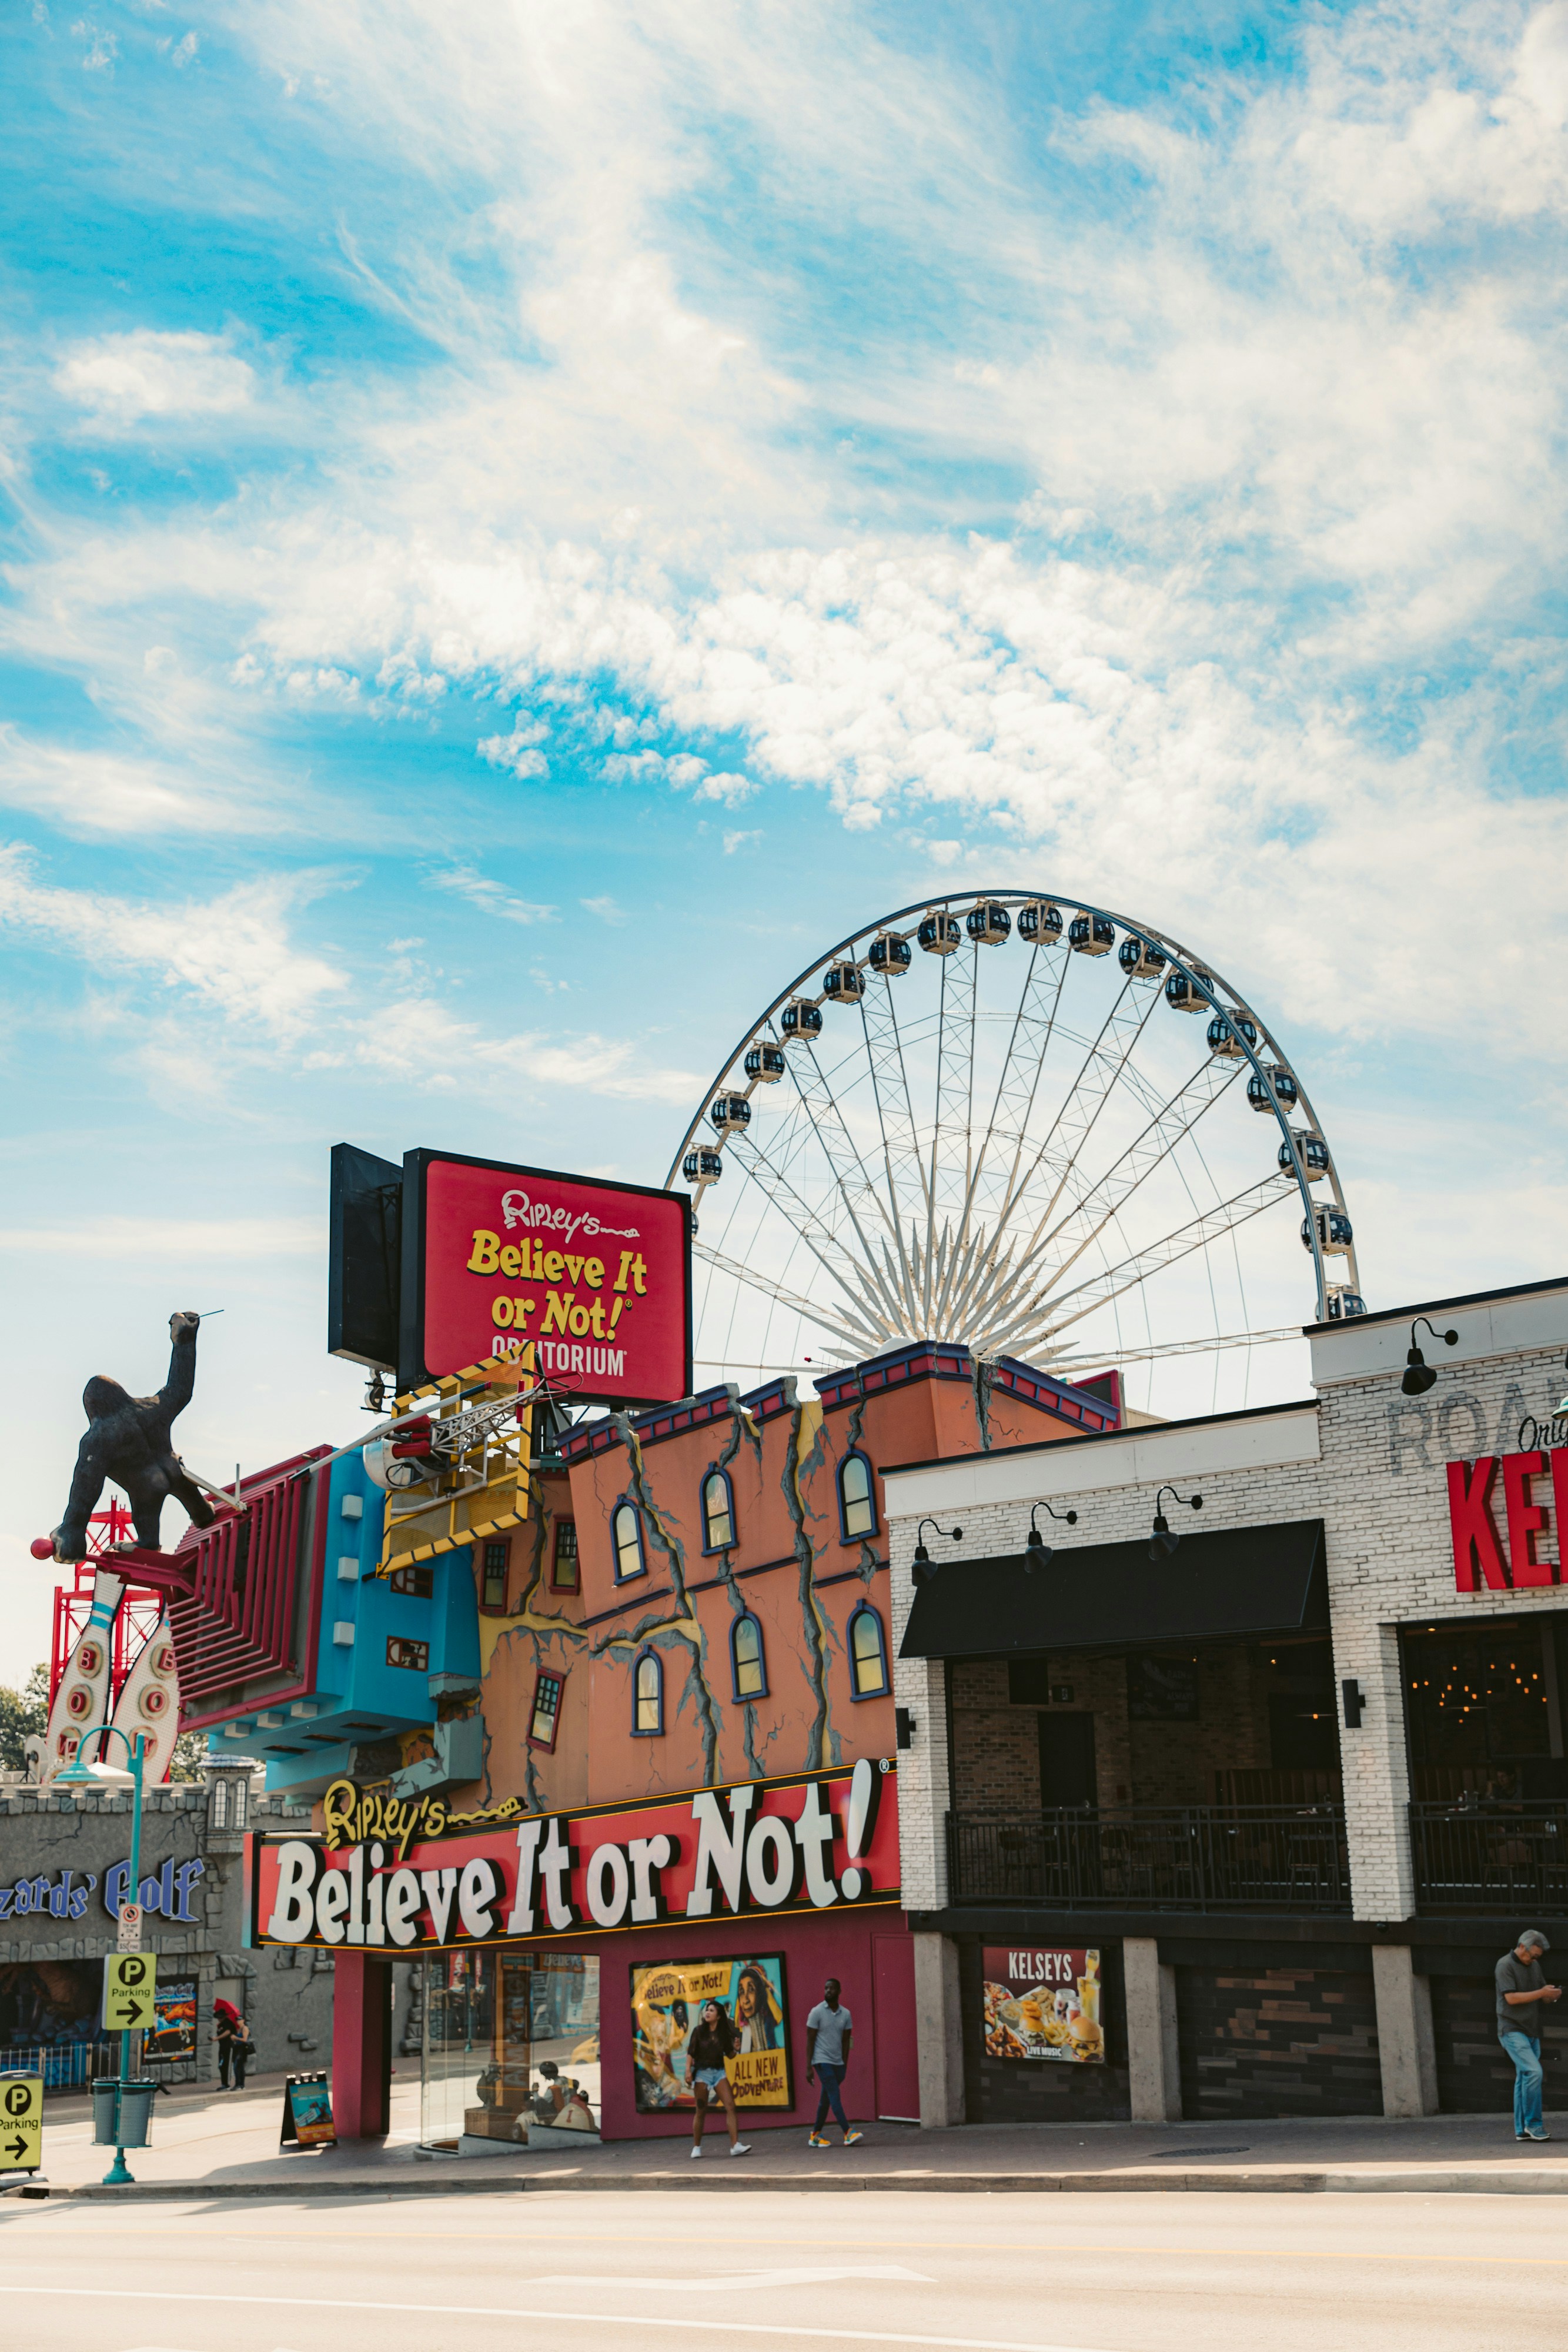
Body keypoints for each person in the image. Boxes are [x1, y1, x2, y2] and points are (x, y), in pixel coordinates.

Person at [1497, 1928, 1559, 2141]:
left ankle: (1521, 2130)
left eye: (1537, 1957)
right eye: (1532, 1955)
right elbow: (1511, 1999)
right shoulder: (1505, 1965)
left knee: (1524, 2077)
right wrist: (1542, 1993)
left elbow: (1542, 1995)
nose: (1533, 1960)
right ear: (1522, 1946)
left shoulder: (1534, 1965)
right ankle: (1534, 2125)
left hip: (1531, 2030)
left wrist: (1551, 1995)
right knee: (1534, 2073)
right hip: (1511, 2029)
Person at [684, 1997, 750, 2159]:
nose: (708, 2012)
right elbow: (691, 2053)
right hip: (702, 2074)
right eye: (707, 2010)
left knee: (731, 2106)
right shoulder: (699, 2031)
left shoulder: (723, 2034)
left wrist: (736, 2049)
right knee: (701, 2110)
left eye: (712, 2011)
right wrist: (688, 2071)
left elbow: (730, 2055)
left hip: (719, 2073)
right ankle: (696, 2147)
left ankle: (735, 2146)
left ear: (719, 2016)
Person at [805, 1976, 862, 2147]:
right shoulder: (816, 2012)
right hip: (822, 2061)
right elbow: (810, 2040)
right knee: (835, 2096)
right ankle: (847, 2132)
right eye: (826, 1988)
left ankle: (815, 2134)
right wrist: (809, 2067)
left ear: (839, 1991)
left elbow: (846, 2041)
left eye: (831, 1988)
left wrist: (844, 2064)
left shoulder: (846, 2014)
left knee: (826, 2099)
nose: (828, 1991)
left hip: (838, 2063)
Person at [213, 1998, 254, 2091]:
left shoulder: (244, 2028)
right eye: (237, 2020)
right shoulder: (237, 2028)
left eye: (240, 2020)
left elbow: (244, 2039)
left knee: (238, 2067)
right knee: (235, 2067)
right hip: (236, 2047)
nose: (238, 2021)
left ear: (243, 2020)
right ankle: (238, 2084)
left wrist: (235, 2038)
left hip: (242, 2049)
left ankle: (240, 2084)